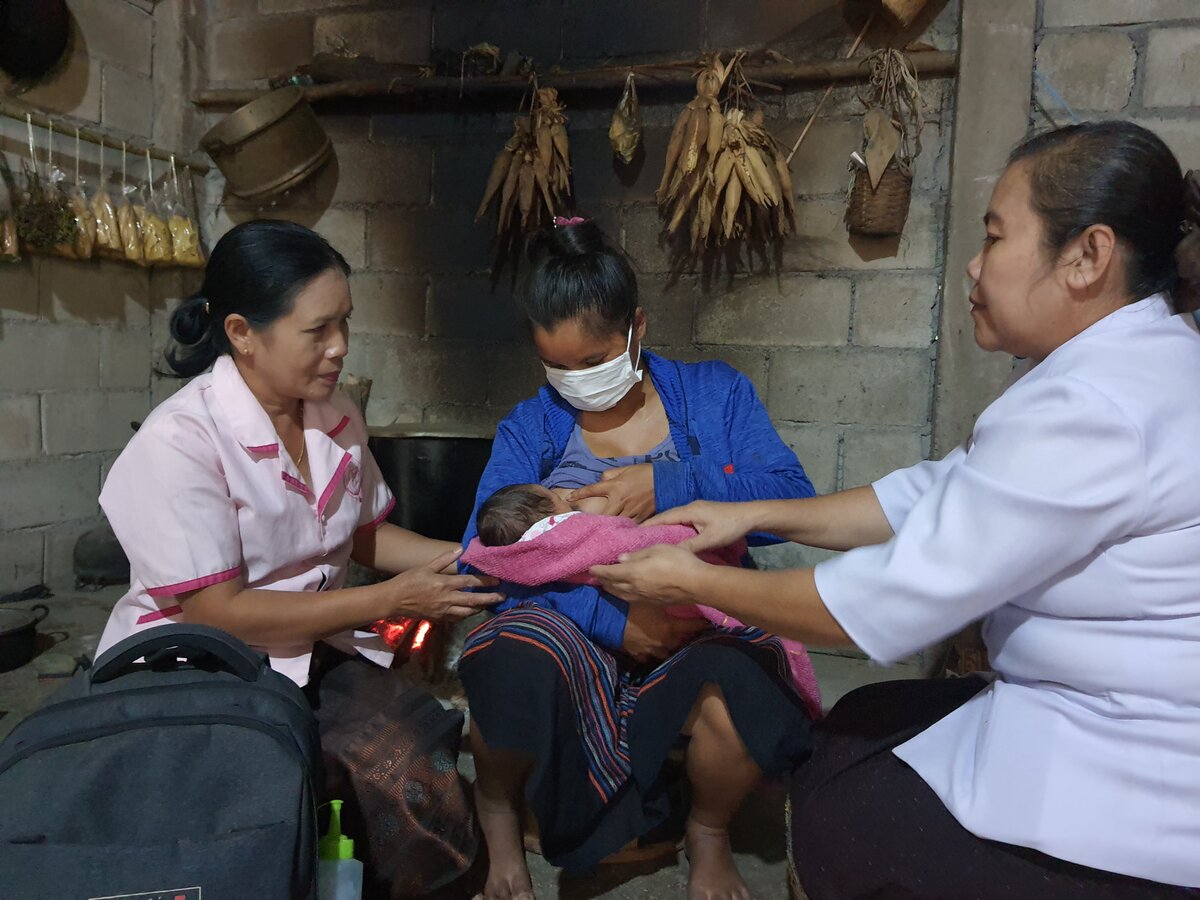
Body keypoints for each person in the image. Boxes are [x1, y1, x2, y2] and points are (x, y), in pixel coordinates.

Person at [592, 121, 1200, 898]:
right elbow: (937, 490)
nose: (975, 267)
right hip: (1087, 714)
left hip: (1127, 768)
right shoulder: (1122, 366)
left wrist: (693, 579)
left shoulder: (1099, 406)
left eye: (995, 237)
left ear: (1087, 257)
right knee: (859, 729)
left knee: (843, 801)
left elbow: (878, 602)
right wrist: (753, 518)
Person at [96, 220, 503, 898]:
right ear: (241, 333)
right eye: (317, 331)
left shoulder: (332, 411)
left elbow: (363, 534)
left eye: (344, 323)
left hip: (307, 645)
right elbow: (219, 615)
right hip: (200, 661)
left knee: (421, 753)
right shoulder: (181, 441)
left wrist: (474, 558)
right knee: (302, 780)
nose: (340, 348)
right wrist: (390, 601)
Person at [457, 218, 818, 900]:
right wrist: (611, 622)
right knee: (507, 654)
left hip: (694, 622)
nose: (578, 381)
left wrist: (671, 483)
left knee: (749, 680)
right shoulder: (530, 428)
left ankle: (706, 830)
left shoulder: (716, 395)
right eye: (557, 366)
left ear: (637, 327)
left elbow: (789, 497)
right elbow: (484, 559)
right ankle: (498, 811)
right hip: (579, 627)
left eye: (594, 361)